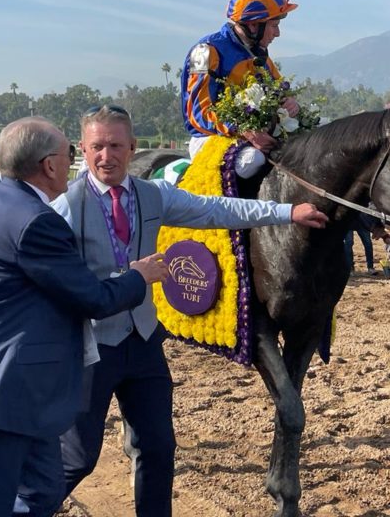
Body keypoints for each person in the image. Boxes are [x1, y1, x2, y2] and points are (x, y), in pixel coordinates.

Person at [42, 105, 328, 516]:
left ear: (133, 147)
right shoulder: (65, 208)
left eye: (116, 145)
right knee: (78, 459)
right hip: (92, 348)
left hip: (143, 342)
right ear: (82, 150)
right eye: (97, 147)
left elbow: (218, 210)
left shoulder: (152, 194)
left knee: (158, 448)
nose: (107, 156)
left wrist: (287, 212)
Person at [0, 117, 167, 516]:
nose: (75, 162)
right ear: (48, 165)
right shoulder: (38, 221)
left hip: (27, 381)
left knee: (43, 488)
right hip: (9, 384)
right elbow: (92, 297)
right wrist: (138, 276)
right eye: (72, 154)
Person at [181, 0, 300, 178]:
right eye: (274, 25)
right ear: (254, 25)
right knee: (251, 160)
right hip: (210, 137)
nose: (278, 33)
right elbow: (197, 114)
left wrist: (290, 104)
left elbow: (281, 92)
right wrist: (244, 131)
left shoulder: (260, 55)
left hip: (257, 136)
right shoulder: (204, 52)